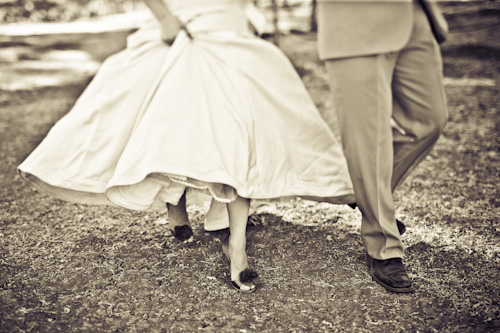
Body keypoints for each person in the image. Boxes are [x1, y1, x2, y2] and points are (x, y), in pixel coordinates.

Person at [18, 0, 355, 293]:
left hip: (229, 28)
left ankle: (237, 247)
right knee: (175, 119)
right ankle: (174, 200)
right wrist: (164, 16)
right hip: (179, 22)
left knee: (241, 130)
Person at [317, 0, 449, 293]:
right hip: (354, 21)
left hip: (414, 14)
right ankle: (383, 247)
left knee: (431, 120)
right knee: (369, 141)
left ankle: (361, 189)